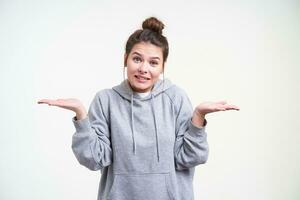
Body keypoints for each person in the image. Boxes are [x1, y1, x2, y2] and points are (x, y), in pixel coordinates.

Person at [38, 17, 240, 200]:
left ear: (162, 66)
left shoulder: (175, 97)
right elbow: (95, 160)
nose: (144, 68)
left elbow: (190, 157)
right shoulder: (105, 100)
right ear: (125, 58)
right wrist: (81, 117)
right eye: (137, 59)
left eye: (153, 62)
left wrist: (198, 117)